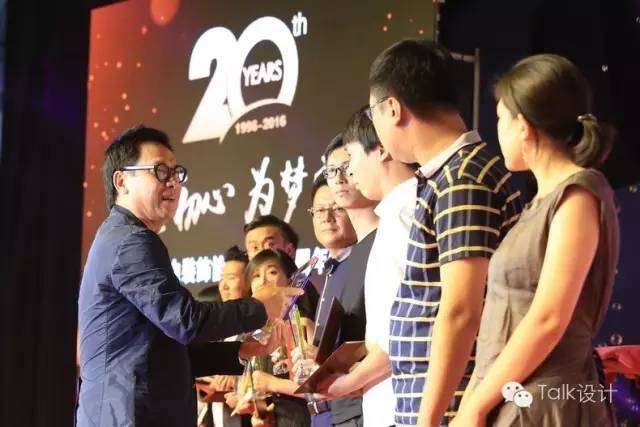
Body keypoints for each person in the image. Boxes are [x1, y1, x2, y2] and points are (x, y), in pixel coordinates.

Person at [76, 125, 301, 427]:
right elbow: (186, 321)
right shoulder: (131, 241)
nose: (172, 182)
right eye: (159, 171)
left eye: (176, 172)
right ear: (122, 181)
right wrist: (260, 306)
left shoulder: (122, 237)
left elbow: (162, 350)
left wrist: (243, 349)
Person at [452, 54, 619, 427]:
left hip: (548, 403)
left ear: (523, 126)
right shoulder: (542, 201)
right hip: (516, 397)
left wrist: (476, 406)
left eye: (500, 119)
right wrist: (476, 401)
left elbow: (548, 317)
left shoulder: (578, 194)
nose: (497, 130)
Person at [367, 40, 523, 426]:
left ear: (393, 108)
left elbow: (460, 311)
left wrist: (429, 420)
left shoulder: (461, 179)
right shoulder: (447, 177)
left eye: (373, 113)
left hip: (456, 407)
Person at [319, 107, 417, 427]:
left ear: (382, 149)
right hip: (382, 403)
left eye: (351, 161)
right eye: (332, 170)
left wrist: (345, 382)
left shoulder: (405, 217)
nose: (346, 175)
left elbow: (406, 334)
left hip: (402, 404)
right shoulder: (393, 221)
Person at [295, 133, 379, 427]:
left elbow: (382, 341)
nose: (327, 217)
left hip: (358, 405)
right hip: (332, 408)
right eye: (319, 210)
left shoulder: (375, 247)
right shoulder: (330, 270)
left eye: (335, 209)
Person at [196, 246, 252, 427]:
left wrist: (236, 378)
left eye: (232, 278)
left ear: (250, 281)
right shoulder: (217, 330)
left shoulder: (257, 329)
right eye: (222, 278)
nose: (224, 286)